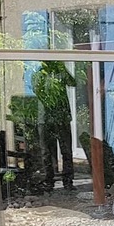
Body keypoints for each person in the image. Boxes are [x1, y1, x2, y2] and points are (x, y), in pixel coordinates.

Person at [31, 60, 77, 191]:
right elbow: (37, 90)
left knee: (66, 150)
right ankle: (48, 180)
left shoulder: (60, 72)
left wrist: (62, 69)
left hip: (61, 117)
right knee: (46, 151)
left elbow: (72, 82)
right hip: (45, 117)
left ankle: (68, 181)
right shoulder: (39, 73)